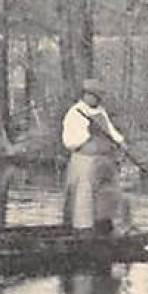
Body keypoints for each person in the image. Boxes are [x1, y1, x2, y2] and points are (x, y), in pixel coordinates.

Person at [61, 77, 126, 232]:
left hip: (103, 162)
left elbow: (111, 132)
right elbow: (71, 141)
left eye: (98, 96)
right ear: (86, 95)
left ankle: (104, 225)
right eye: (94, 95)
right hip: (84, 161)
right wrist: (89, 139)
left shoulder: (101, 112)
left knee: (106, 195)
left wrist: (121, 142)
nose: (96, 99)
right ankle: (82, 229)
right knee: (83, 196)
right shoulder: (76, 113)